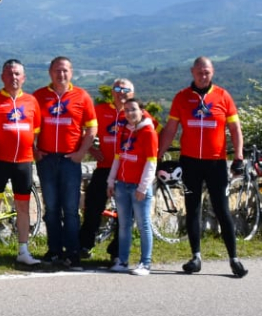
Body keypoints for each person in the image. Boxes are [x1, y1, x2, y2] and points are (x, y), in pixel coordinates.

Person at [158, 56, 248, 277]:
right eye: (199, 72)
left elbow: (235, 129)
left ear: (212, 72)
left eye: (206, 72)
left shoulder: (223, 96)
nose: (203, 75)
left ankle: (234, 259)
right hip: (190, 163)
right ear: (192, 72)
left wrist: (238, 156)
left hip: (216, 163)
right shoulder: (181, 97)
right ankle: (196, 257)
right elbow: (170, 129)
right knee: (192, 208)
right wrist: (158, 155)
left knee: (222, 209)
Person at [33, 56, 97, 269]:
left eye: (65, 71)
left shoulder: (82, 96)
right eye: (57, 70)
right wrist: (34, 150)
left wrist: (82, 152)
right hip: (47, 160)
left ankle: (73, 252)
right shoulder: (39, 96)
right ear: (50, 72)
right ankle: (54, 250)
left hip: (71, 160)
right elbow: (27, 125)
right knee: (51, 208)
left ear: (71, 73)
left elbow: (92, 128)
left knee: (70, 209)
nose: (61, 74)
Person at [80, 78, 148, 259]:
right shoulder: (100, 110)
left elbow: (152, 135)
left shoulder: (139, 113)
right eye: (117, 88)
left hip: (129, 171)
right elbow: (80, 127)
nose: (121, 92)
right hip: (104, 167)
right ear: (112, 92)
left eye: (125, 89)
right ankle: (84, 246)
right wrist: (91, 149)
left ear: (132, 94)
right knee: (92, 208)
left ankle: (117, 252)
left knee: (125, 214)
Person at [0, 59, 42, 266]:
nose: (13, 77)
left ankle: (23, 250)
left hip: (24, 162)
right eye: (9, 74)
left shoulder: (32, 102)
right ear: (2, 77)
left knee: (23, 207)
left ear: (23, 78)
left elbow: (35, 132)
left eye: (17, 74)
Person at [108, 99, 158, 275]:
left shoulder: (148, 132)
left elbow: (151, 163)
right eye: (126, 110)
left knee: (143, 224)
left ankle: (145, 263)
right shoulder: (123, 130)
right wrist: (111, 181)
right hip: (122, 185)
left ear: (142, 110)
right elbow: (118, 157)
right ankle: (122, 261)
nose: (130, 113)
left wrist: (143, 188)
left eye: (133, 110)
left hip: (138, 186)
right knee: (124, 225)